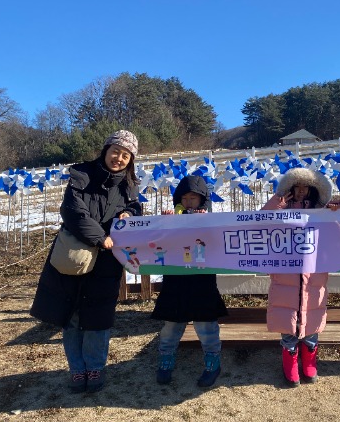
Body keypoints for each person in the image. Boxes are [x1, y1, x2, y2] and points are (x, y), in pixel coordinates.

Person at [30, 130, 142, 393]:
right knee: (72, 315)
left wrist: (129, 212)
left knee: (99, 316)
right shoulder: (82, 175)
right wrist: (100, 237)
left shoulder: (129, 185)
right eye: (115, 151)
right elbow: (72, 211)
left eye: (126, 155)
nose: (119, 158)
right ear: (105, 150)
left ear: (131, 160)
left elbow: (136, 207)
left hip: (107, 261)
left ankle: (95, 367)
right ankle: (77, 369)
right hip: (76, 254)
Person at [261, 167, 340, 387]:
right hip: (285, 274)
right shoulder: (280, 208)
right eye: (297, 186)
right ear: (290, 189)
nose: (302, 191)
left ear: (314, 190)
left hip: (314, 275)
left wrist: (337, 210)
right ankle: (290, 362)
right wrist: (276, 204)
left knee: (311, 320)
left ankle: (309, 361)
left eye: (307, 187)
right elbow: (258, 221)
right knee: (287, 324)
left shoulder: (321, 211)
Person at [151, 175, 228, 388]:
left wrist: (206, 222)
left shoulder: (211, 220)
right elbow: (158, 242)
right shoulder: (170, 219)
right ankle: (166, 358)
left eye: (193, 198)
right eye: (184, 198)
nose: (188, 203)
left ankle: (213, 361)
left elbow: (220, 242)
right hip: (175, 280)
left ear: (203, 200)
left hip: (202, 281)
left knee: (206, 324)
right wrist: (163, 223)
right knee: (171, 324)